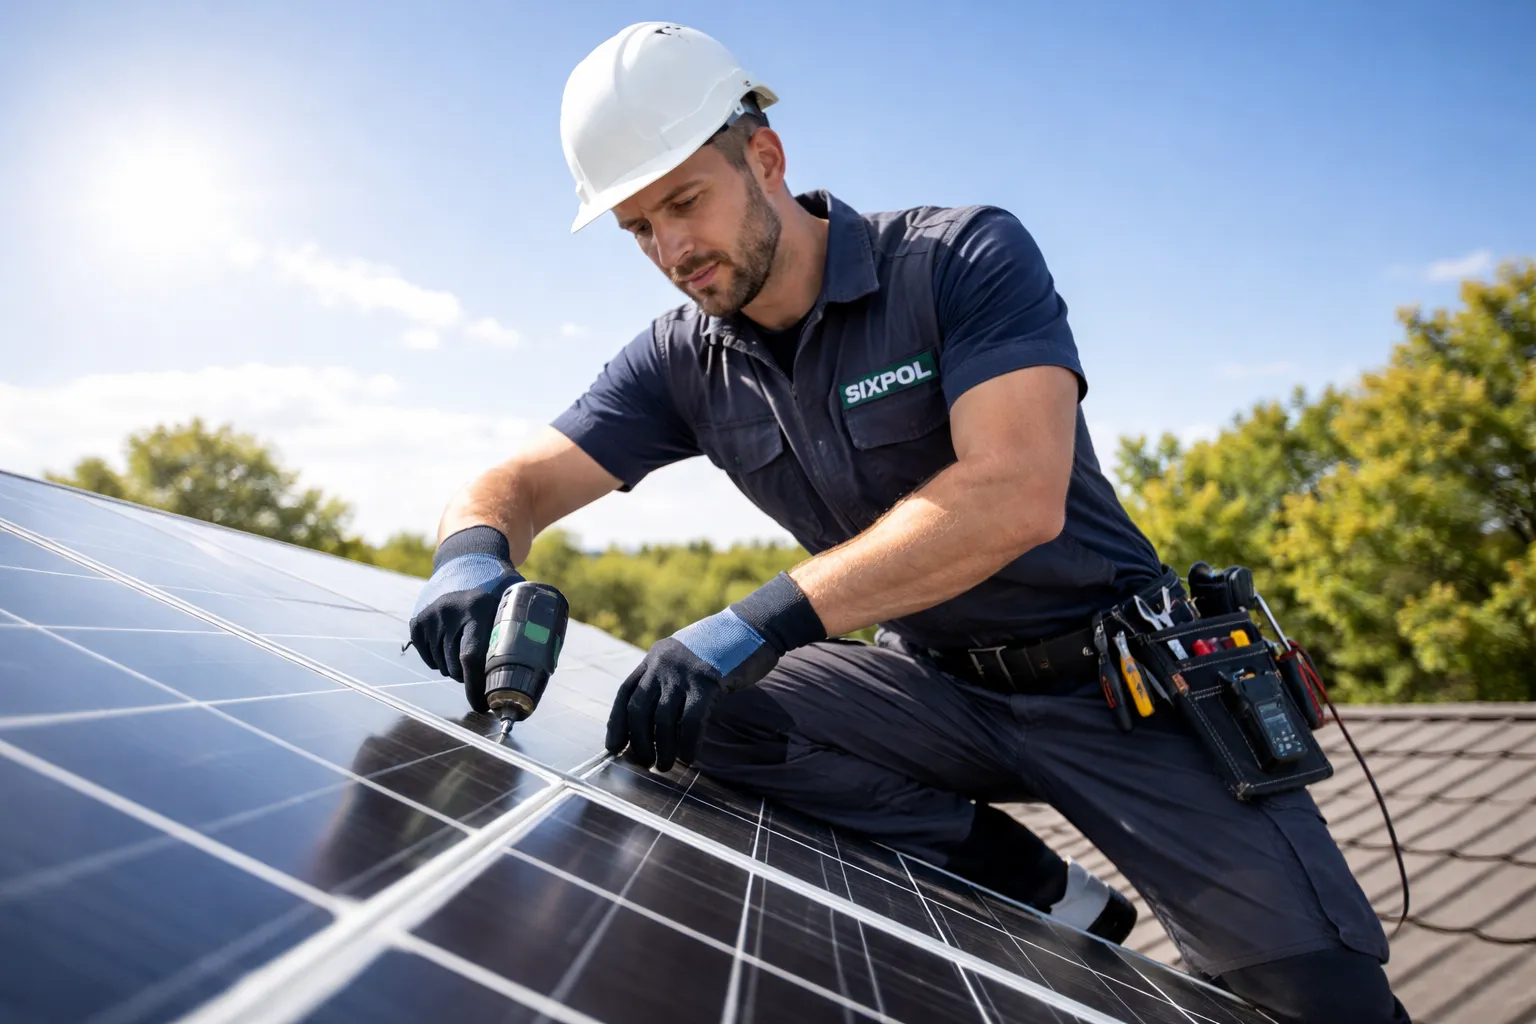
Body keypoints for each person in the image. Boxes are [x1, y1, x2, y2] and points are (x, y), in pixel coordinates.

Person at [407, 23, 1409, 1023]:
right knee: (689, 715)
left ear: (764, 159)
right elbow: (517, 481)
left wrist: (759, 619)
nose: (672, 251)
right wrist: (469, 556)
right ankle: (1026, 879)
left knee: (1318, 1002)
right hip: (932, 687)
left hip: (1119, 689)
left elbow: (1014, 492)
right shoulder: (681, 358)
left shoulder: (957, 258)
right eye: (637, 227)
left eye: (683, 202)